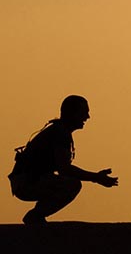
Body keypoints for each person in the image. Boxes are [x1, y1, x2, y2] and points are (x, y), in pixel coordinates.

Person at [8, 95, 118, 224]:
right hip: (27, 182)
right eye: (84, 113)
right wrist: (96, 178)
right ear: (72, 113)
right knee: (71, 185)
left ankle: (37, 217)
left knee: (67, 184)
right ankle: (35, 216)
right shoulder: (60, 133)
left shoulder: (59, 131)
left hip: (28, 181)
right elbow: (64, 169)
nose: (87, 117)